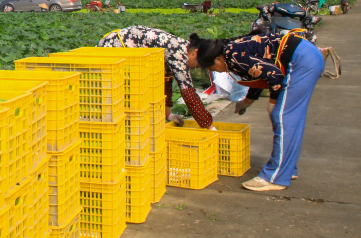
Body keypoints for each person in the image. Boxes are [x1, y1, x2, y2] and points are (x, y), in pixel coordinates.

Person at [188, 30, 323, 192]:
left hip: (301, 61)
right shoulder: (231, 51)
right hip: (306, 56)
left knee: (283, 117)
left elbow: (274, 75)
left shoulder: (233, 56)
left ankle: (275, 176)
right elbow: (259, 75)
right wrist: (247, 102)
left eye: (213, 68)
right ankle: (287, 169)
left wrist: (273, 101)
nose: (218, 71)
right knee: (289, 118)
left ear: (218, 59)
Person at [96, 26, 213, 129]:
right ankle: (106, 125)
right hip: (114, 48)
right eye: (197, 64)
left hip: (124, 52)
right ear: (195, 53)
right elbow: (189, 94)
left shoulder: (180, 48)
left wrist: (168, 114)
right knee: (113, 95)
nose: (194, 68)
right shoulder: (179, 54)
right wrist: (209, 126)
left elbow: (166, 80)